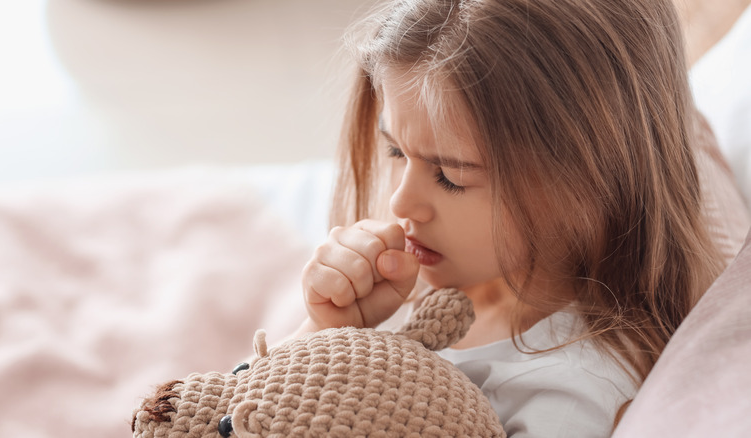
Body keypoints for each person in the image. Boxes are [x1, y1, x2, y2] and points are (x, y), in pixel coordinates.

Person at [297, 0, 725, 435]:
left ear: (584, 182)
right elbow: (246, 407)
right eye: (396, 151)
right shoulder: (403, 287)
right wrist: (322, 329)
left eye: (450, 176)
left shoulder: (569, 391)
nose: (400, 204)